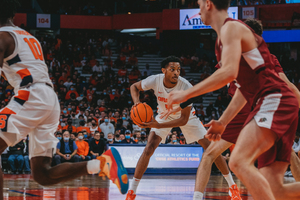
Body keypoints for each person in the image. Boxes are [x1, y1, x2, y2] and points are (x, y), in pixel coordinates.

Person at [165, 1, 300, 199]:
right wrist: (223, 121)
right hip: (261, 103)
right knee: (276, 188)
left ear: (209, 4)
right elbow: (244, 89)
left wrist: (185, 94)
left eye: (199, 3)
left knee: (237, 161)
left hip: (272, 99)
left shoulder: (231, 28)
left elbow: (229, 73)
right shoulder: (223, 42)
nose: (198, 7)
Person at [0, 1, 128, 197]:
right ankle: (101, 163)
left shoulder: (2, 36)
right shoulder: (25, 35)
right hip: (48, 98)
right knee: (43, 174)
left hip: (30, 95)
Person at [125, 56, 240, 199]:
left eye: (178, 70)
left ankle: (232, 186)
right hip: (164, 114)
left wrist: (158, 124)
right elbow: (134, 86)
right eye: (172, 69)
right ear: (164, 71)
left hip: (187, 118)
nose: (176, 73)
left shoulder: (186, 86)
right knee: (149, 147)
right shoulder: (155, 80)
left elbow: (183, 120)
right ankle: (132, 191)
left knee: (212, 150)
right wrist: (136, 103)